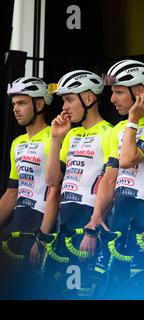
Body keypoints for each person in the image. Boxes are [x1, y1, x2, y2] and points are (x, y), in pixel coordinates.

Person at [79, 60, 144, 290]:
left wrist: (132, 121)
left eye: (119, 92)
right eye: (113, 92)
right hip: (120, 213)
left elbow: (128, 159)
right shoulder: (117, 129)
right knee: (111, 285)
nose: (112, 99)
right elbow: (110, 178)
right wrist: (95, 218)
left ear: (139, 92)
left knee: (139, 288)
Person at [44, 70, 112, 295]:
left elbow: (111, 184)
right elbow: (53, 180)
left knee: (82, 293)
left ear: (89, 98)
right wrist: (56, 139)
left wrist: (92, 230)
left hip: (89, 222)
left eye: (69, 99)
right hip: (65, 223)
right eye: (64, 100)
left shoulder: (109, 133)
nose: (64, 107)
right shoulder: (71, 135)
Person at [0, 76, 60, 297]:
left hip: (41, 223)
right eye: (14, 104)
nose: (16, 109)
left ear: (40, 104)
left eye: (22, 103)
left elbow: (57, 191)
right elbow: (11, 192)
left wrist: (43, 236)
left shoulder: (55, 138)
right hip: (18, 222)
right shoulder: (17, 143)